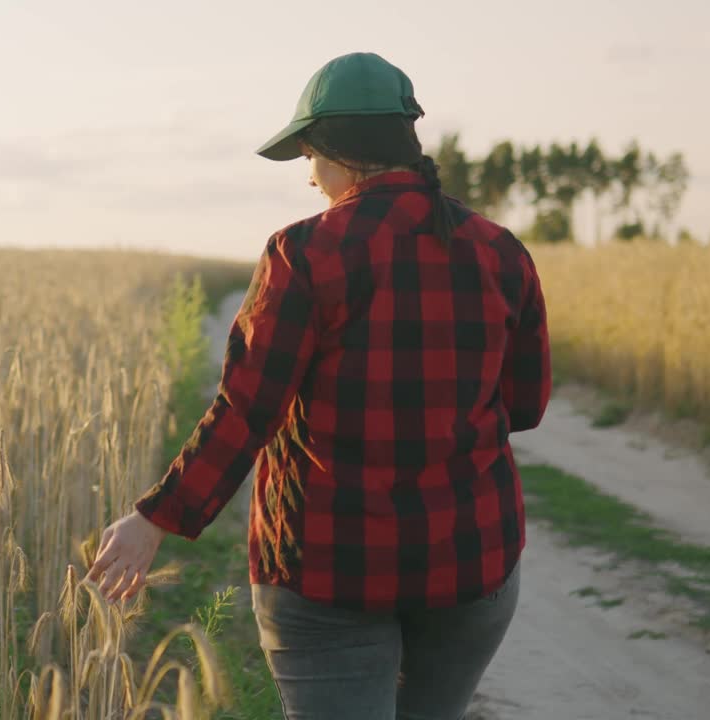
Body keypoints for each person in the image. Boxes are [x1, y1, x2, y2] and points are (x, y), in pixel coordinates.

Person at [86, 52, 550, 719]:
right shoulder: (500, 251)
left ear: (339, 153)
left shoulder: (304, 254)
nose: (309, 178)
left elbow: (247, 411)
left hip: (327, 573)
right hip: (469, 566)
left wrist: (156, 517)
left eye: (309, 156)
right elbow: (526, 405)